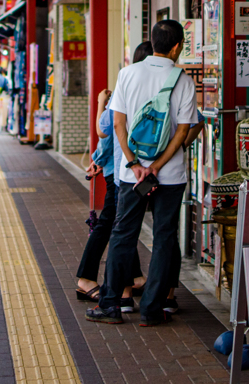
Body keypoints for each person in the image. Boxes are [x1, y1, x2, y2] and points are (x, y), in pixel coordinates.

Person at [87, 20, 196, 327]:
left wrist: (135, 163)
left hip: (129, 175)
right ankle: (152, 309)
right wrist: (158, 166)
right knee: (163, 238)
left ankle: (110, 305)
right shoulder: (183, 80)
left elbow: (118, 123)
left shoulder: (128, 73)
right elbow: (184, 130)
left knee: (123, 234)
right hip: (171, 175)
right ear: (176, 47)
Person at [74, 42, 152, 311]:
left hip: (121, 173)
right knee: (115, 226)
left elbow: (105, 129)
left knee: (117, 226)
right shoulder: (154, 87)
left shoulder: (127, 84)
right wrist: (98, 159)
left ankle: (129, 283)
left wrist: (99, 103)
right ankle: (97, 283)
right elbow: (108, 133)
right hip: (127, 174)